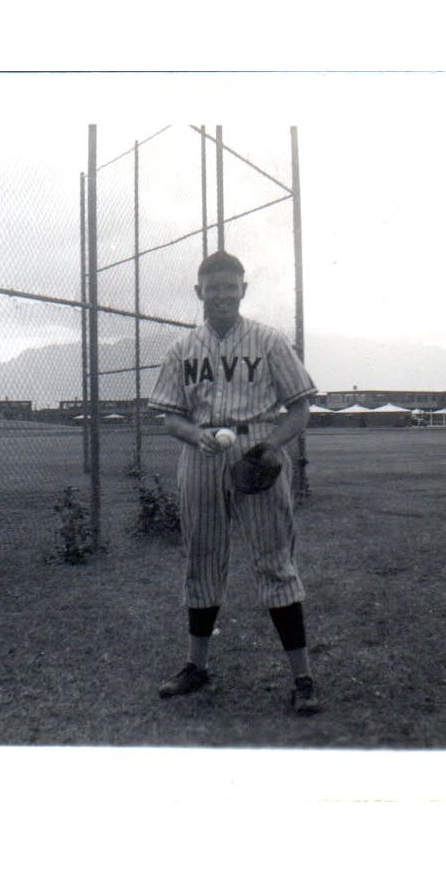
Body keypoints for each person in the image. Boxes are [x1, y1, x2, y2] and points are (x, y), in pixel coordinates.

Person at [148, 249, 321, 715]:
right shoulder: (182, 349)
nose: (222, 294)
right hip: (201, 458)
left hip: (258, 453)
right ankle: (196, 666)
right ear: (199, 291)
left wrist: (272, 447)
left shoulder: (269, 341)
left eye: (231, 286)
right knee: (201, 561)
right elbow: (170, 417)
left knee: (275, 561)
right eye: (213, 286)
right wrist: (195, 435)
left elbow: (300, 409)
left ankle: (303, 678)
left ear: (243, 290)